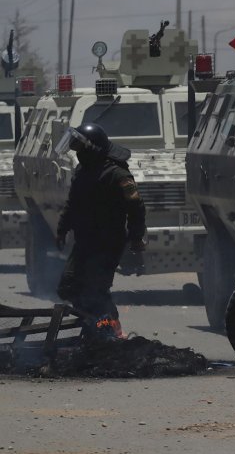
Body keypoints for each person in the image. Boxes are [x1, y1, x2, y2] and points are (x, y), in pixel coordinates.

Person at [54, 123, 146, 340]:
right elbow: (72, 203)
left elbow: (136, 207)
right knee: (69, 286)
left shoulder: (117, 175)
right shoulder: (82, 171)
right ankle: (92, 324)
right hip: (84, 241)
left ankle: (112, 332)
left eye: (79, 148)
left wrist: (136, 237)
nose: (77, 152)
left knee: (96, 290)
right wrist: (62, 229)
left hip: (107, 243)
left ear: (91, 148)